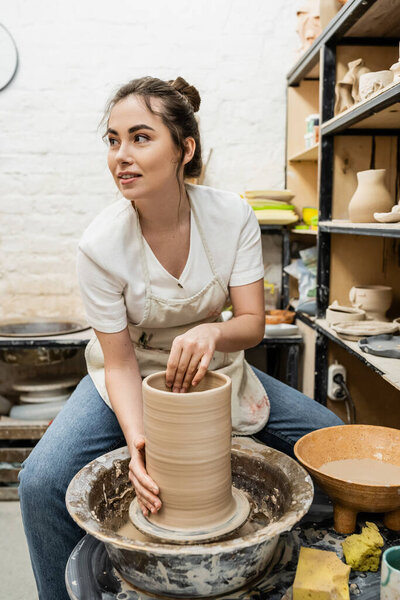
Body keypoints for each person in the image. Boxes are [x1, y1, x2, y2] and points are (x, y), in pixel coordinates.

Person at [18, 76, 343, 599]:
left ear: (183, 149)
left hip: (218, 370)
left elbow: (252, 324)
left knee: (330, 442)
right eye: (113, 139)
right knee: (40, 483)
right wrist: (140, 440)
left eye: (141, 138)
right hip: (126, 375)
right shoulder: (101, 245)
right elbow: (120, 362)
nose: (121, 155)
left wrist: (213, 331)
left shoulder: (231, 215)